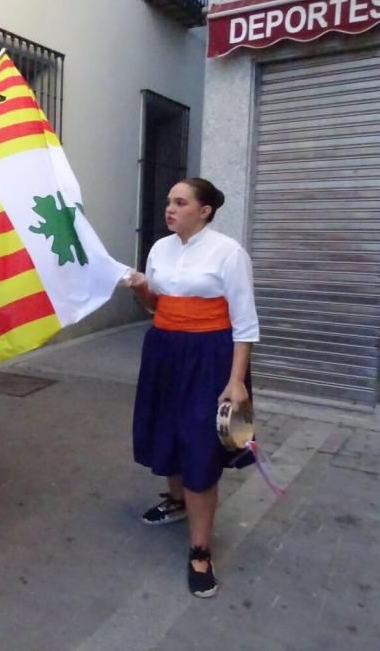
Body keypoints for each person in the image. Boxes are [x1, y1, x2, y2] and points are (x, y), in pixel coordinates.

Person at [127, 177, 259, 598]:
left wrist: (236, 380)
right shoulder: (160, 249)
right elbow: (156, 304)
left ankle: (200, 551)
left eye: (180, 202)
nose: (169, 208)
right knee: (166, 430)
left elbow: (245, 323)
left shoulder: (229, 253)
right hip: (164, 353)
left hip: (210, 358)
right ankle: (177, 501)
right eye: (168, 201)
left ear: (204, 210)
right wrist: (142, 288)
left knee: (201, 446)